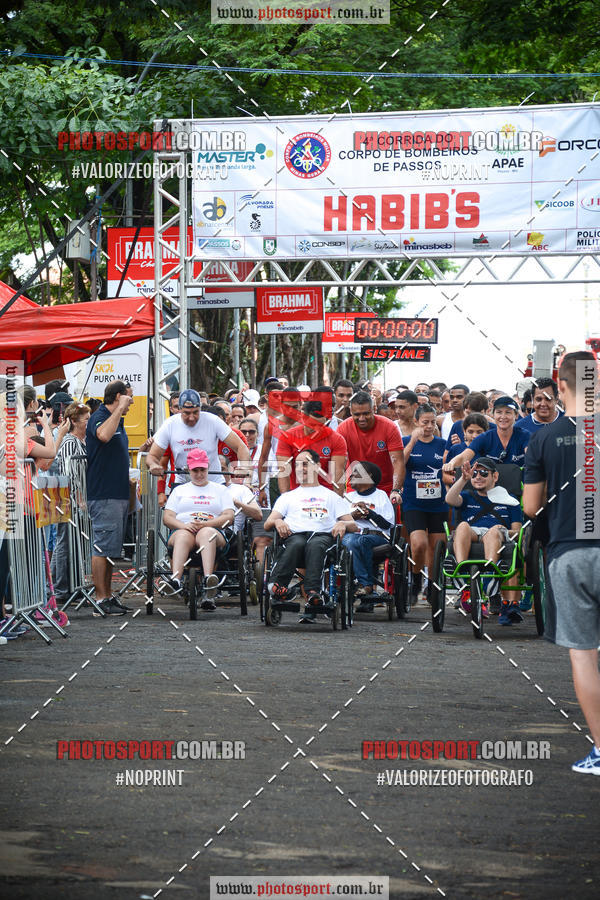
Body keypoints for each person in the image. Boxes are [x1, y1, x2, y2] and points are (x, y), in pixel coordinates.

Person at [523, 350, 600, 774]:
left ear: (561, 386)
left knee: (584, 654)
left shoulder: (544, 438)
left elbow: (532, 507)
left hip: (570, 551)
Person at [264, 448, 357, 623]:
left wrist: (342, 523)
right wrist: (278, 522)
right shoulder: (288, 497)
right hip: (295, 535)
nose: (301, 468)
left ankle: (313, 592)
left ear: (318, 466)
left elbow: (354, 525)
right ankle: (277, 586)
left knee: (315, 544)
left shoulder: (331, 496)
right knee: (297, 543)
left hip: (323, 537)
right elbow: (268, 523)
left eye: (305, 464)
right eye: (297, 465)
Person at [446, 457, 523, 623]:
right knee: (462, 526)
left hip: (499, 535)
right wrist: (463, 479)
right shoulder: (467, 496)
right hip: (472, 533)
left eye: (483, 473)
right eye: (474, 473)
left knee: (494, 531)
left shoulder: (509, 499)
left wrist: (501, 532)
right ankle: (461, 571)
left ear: (494, 476)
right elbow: (450, 500)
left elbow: (517, 530)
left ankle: (490, 576)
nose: (478, 476)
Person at [162, 448, 235, 610]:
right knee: (182, 535)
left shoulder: (220, 490)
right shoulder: (179, 490)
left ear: (208, 468)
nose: (200, 474)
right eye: (195, 470)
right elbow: (167, 517)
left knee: (206, 533)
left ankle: (209, 579)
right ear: (189, 469)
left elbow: (229, 516)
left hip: (213, 529)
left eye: (203, 470)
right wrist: (184, 525)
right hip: (184, 528)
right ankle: (176, 580)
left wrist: (207, 524)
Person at [86, 379, 133, 616]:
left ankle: (107, 595)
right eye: (128, 398)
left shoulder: (117, 420)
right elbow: (103, 435)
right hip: (104, 494)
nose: (131, 403)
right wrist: (117, 410)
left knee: (110, 548)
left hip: (117, 494)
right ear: (118, 397)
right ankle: (99, 598)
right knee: (101, 547)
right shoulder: (100, 416)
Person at [147, 388, 249, 485]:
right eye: (186, 413)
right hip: (183, 483)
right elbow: (152, 456)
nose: (191, 417)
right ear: (180, 410)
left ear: (200, 408)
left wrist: (244, 467)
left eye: (195, 412)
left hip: (213, 481)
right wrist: (153, 465)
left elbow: (241, 447)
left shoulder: (213, 421)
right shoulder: (169, 424)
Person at [402, 404, 448, 604]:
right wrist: (412, 441)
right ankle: (415, 579)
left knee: (437, 547)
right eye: (424, 423)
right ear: (416, 422)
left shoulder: (442, 444)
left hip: (438, 503)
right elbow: (398, 464)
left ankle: (432, 586)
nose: (429, 426)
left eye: (432, 422)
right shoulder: (406, 441)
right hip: (414, 502)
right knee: (419, 544)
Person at [51, 402, 91, 604]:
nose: (89, 422)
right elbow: (68, 473)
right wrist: (78, 497)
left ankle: (71, 584)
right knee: (64, 542)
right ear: (74, 421)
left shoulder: (83, 442)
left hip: (77, 501)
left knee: (73, 542)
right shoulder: (69, 443)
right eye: (86, 419)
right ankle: (60, 588)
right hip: (67, 501)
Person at [342, 461, 395, 613]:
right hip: (352, 535)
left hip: (376, 536)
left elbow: (387, 524)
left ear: (368, 476)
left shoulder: (381, 496)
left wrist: (369, 513)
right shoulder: (348, 497)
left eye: (355, 473)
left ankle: (365, 585)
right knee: (352, 541)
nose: (351, 476)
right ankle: (366, 585)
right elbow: (338, 522)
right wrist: (353, 515)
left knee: (360, 541)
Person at [337, 391, 405, 500]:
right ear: (351, 412)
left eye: (366, 413)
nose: (362, 418)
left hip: (385, 486)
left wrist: (396, 490)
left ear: (373, 409)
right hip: (356, 485)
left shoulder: (389, 427)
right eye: (357, 414)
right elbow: (338, 465)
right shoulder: (343, 429)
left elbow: (398, 462)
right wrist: (339, 493)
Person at [276, 398, 347, 496]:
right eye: (312, 425)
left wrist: (336, 501)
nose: (317, 430)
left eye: (321, 425)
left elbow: (338, 474)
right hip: (297, 494)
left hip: (326, 494)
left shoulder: (337, 439)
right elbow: (283, 472)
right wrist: (286, 499)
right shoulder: (287, 437)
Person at [442, 395, 529, 472]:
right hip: (492, 487)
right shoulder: (485, 437)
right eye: (499, 412)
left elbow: (531, 457)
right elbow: (464, 456)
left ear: (516, 415)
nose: (503, 416)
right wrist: (451, 463)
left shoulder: (524, 435)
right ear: (493, 415)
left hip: (519, 487)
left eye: (508, 412)